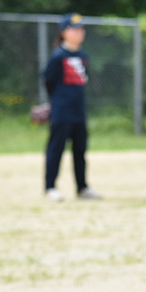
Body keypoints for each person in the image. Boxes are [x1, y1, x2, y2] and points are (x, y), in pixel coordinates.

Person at [42, 12, 102, 202]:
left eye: (81, 29)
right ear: (64, 32)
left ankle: (82, 187)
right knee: (56, 149)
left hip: (78, 111)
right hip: (61, 111)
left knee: (80, 150)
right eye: (74, 30)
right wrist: (59, 100)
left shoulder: (82, 56)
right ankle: (50, 187)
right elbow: (48, 80)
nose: (79, 33)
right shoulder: (58, 56)